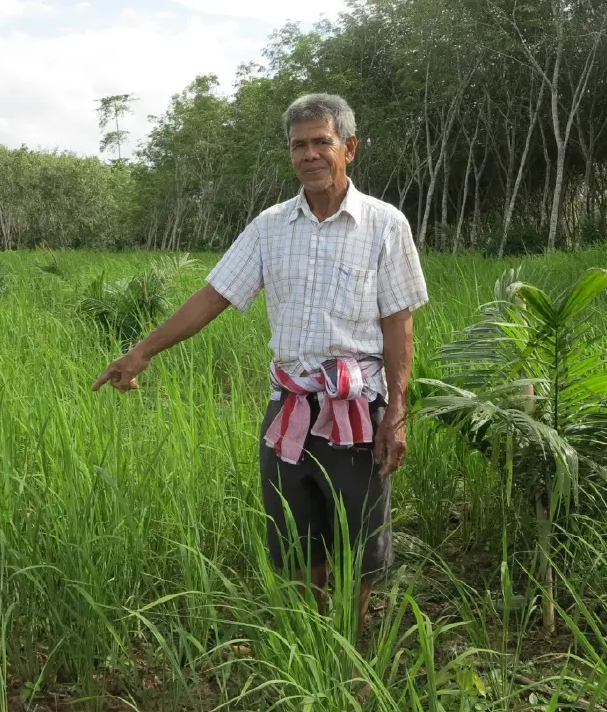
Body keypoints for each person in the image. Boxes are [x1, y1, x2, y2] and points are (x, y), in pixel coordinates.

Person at [92, 93, 427, 635]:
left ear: (350, 148)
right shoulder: (270, 227)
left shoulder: (385, 225)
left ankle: (350, 644)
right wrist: (140, 352)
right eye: (299, 145)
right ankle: (311, 641)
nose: (310, 154)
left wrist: (398, 409)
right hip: (290, 409)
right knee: (296, 540)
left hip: (358, 408)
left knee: (360, 542)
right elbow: (213, 296)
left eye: (322, 142)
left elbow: (398, 323)